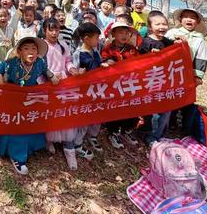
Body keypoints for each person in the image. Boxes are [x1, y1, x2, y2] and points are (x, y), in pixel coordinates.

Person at [0, 37, 59, 175]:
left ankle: (31, 147)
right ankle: (17, 156)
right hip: (14, 97)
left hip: (32, 96)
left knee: (31, 121)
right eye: (26, 48)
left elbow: (46, 71)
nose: (31, 52)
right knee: (18, 125)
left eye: (33, 49)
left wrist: (52, 77)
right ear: (19, 51)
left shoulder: (40, 62)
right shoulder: (11, 63)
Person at [43, 18, 86, 170]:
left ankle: (69, 148)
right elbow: (41, 66)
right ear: (44, 31)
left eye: (57, 30)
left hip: (64, 83)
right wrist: (51, 75)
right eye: (51, 30)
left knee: (66, 113)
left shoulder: (63, 45)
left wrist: (72, 68)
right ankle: (50, 140)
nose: (54, 33)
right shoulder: (41, 47)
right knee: (52, 113)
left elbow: (67, 60)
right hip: (48, 83)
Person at [166, 8, 207, 134]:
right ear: (180, 19)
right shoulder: (172, 33)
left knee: (186, 98)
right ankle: (171, 121)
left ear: (197, 21)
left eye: (193, 17)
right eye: (186, 17)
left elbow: (201, 58)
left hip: (187, 73)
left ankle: (186, 125)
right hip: (171, 71)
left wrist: (197, 76)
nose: (189, 19)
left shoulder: (199, 39)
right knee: (171, 96)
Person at [138, 10, 175, 145]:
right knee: (152, 111)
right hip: (150, 82)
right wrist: (150, 56)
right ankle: (148, 135)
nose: (162, 27)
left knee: (166, 110)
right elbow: (139, 62)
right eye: (157, 24)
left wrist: (181, 44)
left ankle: (159, 134)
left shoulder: (169, 42)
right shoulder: (146, 42)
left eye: (164, 24)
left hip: (166, 82)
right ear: (150, 27)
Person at [101, 21, 140, 149]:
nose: (124, 35)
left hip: (130, 84)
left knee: (131, 108)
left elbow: (139, 64)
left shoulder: (132, 50)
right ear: (113, 34)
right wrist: (108, 62)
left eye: (126, 33)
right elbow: (103, 62)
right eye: (120, 32)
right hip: (114, 85)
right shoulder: (108, 49)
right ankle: (113, 132)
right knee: (115, 108)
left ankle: (126, 130)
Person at [72, 22, 103, 153]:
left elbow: (100, 65)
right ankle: (77, 143)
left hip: (98, 89)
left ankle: (92, 136)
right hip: (84, 91)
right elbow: (74, 71)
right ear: (86, 38)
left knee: (98, 114)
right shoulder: (78, 54)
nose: (98, 40)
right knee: (84, 117)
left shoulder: (96, 51)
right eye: (96, 37)